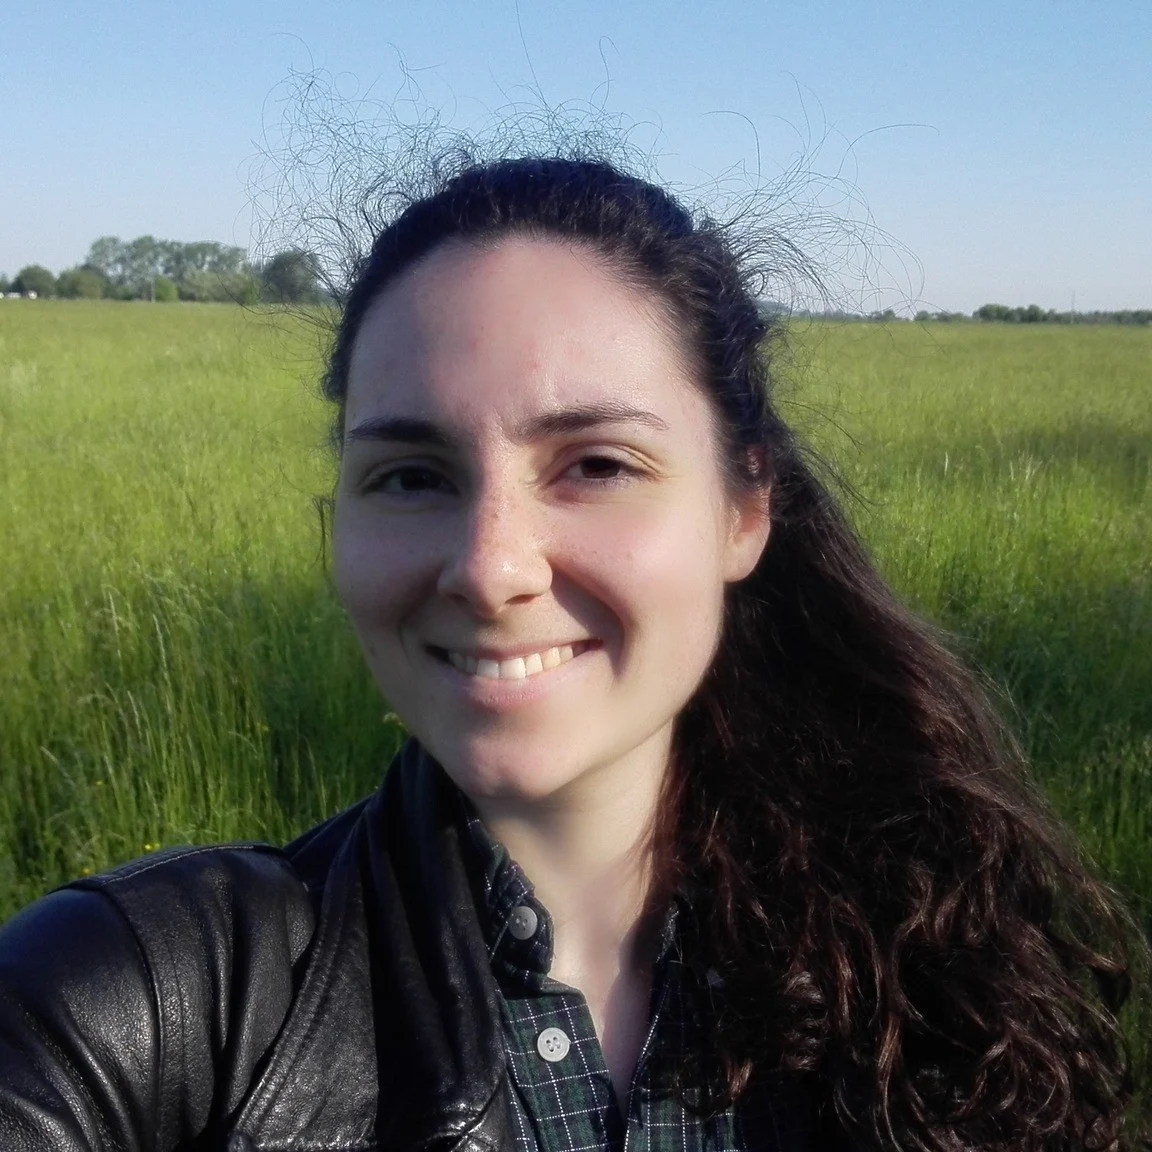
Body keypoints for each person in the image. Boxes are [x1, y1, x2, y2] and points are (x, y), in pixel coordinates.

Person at [0, 156, 1144, 1152]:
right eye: (412, 476)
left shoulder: (931, 958)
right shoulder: (131, 999)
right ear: (333, 524)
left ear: (745, 510)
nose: (491, 567)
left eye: (597, 464)